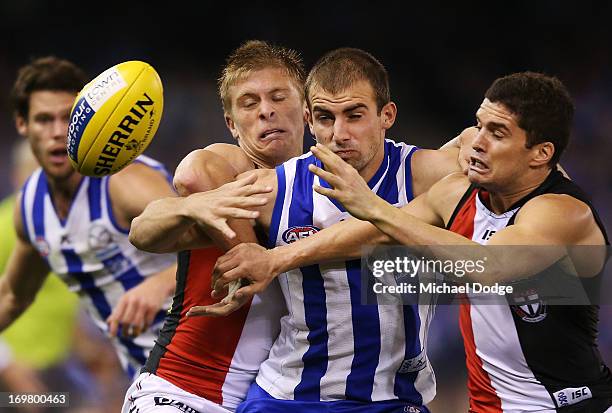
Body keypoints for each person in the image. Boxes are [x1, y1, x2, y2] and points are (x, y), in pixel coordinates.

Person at [213, 72, 612, 412]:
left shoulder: (561, 212)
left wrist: (374, 206)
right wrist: (277, 259)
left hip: (568, 405)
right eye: (479, 125)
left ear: (541, 154)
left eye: (498, 133)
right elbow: (377, 234)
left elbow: (490, 268)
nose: (477, 141)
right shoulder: (458, 194)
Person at [126, 45, 473, 412]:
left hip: (381, 397)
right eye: (249, 103)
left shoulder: (418, 173)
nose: (266, 111)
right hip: (192, 389)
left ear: (301, 108)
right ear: (312, 117)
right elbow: (168, 203)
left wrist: (474, 141)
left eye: (278, 97)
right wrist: (194, 207)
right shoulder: (250, 184)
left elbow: (483, 190)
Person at [0, 56, 178, 380]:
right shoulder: (29, 208)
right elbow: (13, 295)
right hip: (147, 375)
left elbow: (223, 243)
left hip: (208, 360)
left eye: (67, 118)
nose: (57, 132)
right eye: (43, 119)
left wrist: (160, 284)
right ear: (22, 125)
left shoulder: (126, 181)